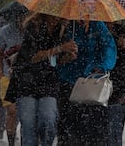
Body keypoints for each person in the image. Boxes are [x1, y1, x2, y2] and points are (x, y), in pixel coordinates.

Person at [5, 13, 78, 146]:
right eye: (54, 15)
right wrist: (60, 48)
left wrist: (67, 57)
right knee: (28, 123)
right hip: (27, 80)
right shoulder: (33, 27)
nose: (57, 18)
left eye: (59, 15)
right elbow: (33, 57)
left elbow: (55, 61)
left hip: (48, 81)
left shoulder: (62, 31)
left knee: (48, 119)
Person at [57, 19, 117, 145]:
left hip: (91, 81)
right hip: (68, 80)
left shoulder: (98, 25)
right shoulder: (66, 26)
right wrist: (65, 54)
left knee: (95, 122)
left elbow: (109, 47)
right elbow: (54, 53)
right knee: (69, 122)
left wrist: (102, 66)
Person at [0, 1, 28, 145]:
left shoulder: (32, 31)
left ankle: (23, 139)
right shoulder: (5, 32)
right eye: (19, 17)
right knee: (12, 111)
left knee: (25, 114)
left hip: (27, 78)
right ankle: (11, 141)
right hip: (8, 78)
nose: (22, 20)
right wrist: (1, 76)